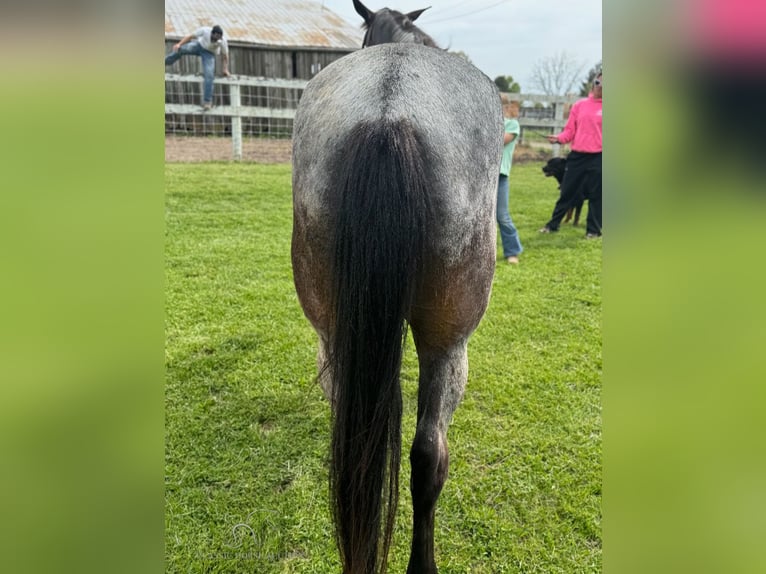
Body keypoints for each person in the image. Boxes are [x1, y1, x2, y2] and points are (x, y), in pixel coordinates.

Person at [540, 72, 603, 238]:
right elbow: (570, 131)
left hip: (599, 156)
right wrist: (559, 138)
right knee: (567, 191)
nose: (600, 86)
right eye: (598, 82)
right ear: (593, 84)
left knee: (597, 194)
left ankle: (593, 230)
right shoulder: (580, 105)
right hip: (577, 156)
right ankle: (552, 225)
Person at [165, 25, 231, 111]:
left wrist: (225, 69)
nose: (215, 41)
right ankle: (166, 61)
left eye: (217, 39)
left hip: (209, 54)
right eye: (214, 38)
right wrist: (179, 44)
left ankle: (207, 102)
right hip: (198, 46)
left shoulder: (223, 41)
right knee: (181, 49)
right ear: (212, 33)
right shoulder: (205, 30)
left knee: (209, 74)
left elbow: (225, 56)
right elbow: (190, 36)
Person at [497, 96, 523, 264]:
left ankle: (512, 251)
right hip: (481, 176)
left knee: (502, 215)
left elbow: (500, 141)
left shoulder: (512, 125)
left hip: (499, 176)